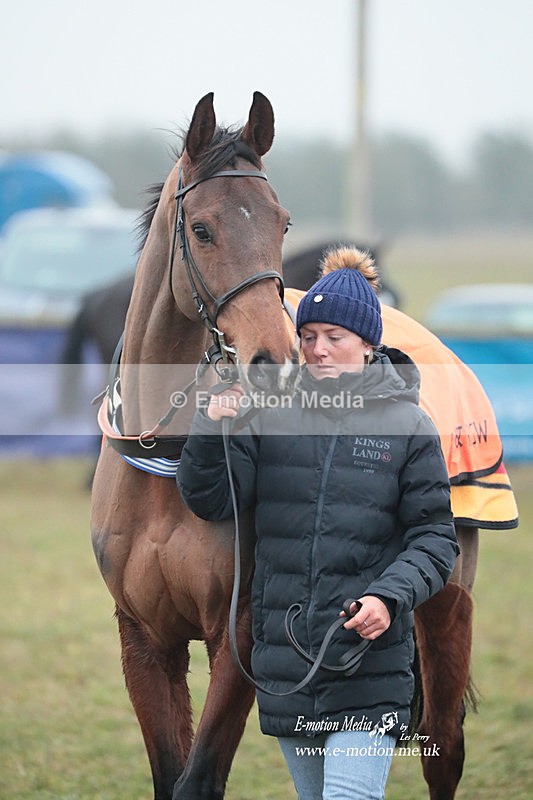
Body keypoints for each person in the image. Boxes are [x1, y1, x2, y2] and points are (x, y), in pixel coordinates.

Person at [177, 246, 458, 800]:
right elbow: (211, 499)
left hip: (367, 668)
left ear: (368, 343)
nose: (319, 350)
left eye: (336, 337)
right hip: (287, 672)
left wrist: (387, 598)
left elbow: (435, 538)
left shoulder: (410, 425)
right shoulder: (270, 415)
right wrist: (210, 427)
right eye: (309, 337)